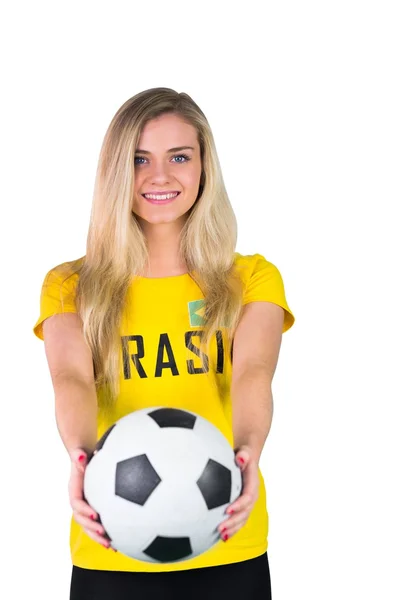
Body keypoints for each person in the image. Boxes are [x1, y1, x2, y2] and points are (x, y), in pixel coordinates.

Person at [33, 87, 295, 600]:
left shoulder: (252, 278)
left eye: (179, 156)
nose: (160, 176)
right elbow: (70, 379)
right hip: (111, 545)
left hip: (227, 539)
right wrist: (81, 459)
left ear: (204, 167)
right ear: (115, 171)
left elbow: (253, 372)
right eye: (138, 159)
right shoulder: (69, 286)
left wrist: (250, 453)